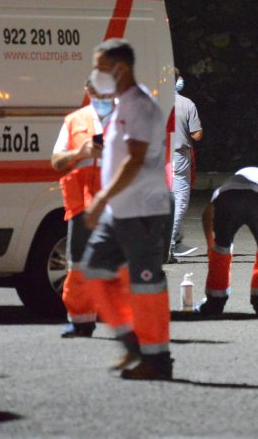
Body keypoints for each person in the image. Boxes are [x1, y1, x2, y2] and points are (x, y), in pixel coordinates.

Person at [80, 38, 173, 381]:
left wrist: (101, 197)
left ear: (121, 68)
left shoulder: (139, 106)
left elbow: (134, 160)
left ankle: (157, 359)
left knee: (147, 284)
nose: (96, 74)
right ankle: (132, 341)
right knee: (94, 269)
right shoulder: (120, 105)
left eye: (101, 67)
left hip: (142, 211)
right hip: (120, 211)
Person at [50, 79, 117, 337]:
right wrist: (82, 151)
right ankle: (81, 321)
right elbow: (57, 161)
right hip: (83, 203)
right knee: (78, 266)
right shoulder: (74, 120)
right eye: (96, 90)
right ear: (88, 90)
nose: (101, 95)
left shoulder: (127, 118)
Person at [194, 167, 258, 317]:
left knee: (221, 249)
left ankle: (214, 302)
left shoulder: (224, 189)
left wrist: (210, 246)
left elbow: (207, 213)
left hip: (229, 199)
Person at [169, 69, 203, 261]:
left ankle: (174, 241)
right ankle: (170, 243)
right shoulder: (186, 103)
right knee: (179, 199)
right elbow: (197, 134)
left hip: (156, 157)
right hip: (179, 157)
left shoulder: (150, 101)